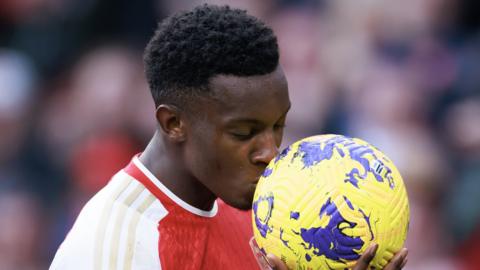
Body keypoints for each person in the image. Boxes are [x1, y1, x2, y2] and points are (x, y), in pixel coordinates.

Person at [50, 4, 408, 270]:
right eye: (244, 133)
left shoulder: (275, 216)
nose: (271, 152)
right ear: (174, 123)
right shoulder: (118, 250)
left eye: (278, 125)